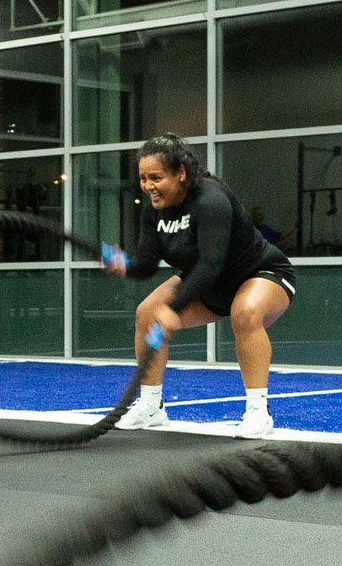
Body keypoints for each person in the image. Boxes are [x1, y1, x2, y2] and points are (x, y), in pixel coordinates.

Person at [103, 132, 295, 438]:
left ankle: (259, 412)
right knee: (147, 312)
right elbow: (148, 264)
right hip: (209, 283)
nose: (149, 186)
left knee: (244, 312)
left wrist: (175, 308)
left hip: (260, 273)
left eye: (156, 177)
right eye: (143, 178)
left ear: (180, 173)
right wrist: (124, 265)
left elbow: (210, 264)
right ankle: (152, 407)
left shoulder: (210, 200)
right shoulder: (154, 209)